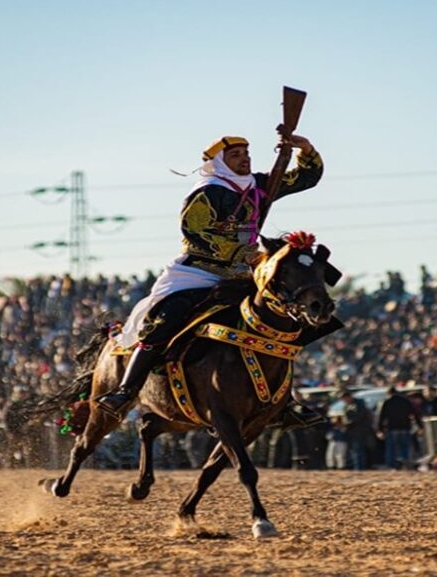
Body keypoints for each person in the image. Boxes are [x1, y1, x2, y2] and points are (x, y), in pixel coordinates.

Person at [99, 133, 324, 422]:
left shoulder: (260, 185)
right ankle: (125, 391)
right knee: (164, 321)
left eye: (246, 152)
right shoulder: (207, 191)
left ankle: (283, 402)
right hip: (197, 273)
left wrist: (304, 149)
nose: (244, 158)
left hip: (242, 275)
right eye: (235, 155)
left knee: (285, 317)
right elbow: (194, 231)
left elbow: (306, 177)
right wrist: (238, 250)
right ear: (219, 161)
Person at [377, 387, 418, 470]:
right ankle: (406, 464)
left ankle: (392, 466)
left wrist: (380, 429)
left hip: (392, 428)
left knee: (391, 449)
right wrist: (420, 426)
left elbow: (381, 417)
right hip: (405, 428)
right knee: (405, 448)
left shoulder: (387, 402)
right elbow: (414, 414)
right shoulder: (405, 401)